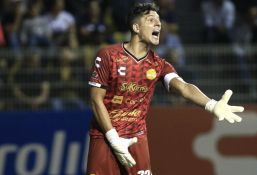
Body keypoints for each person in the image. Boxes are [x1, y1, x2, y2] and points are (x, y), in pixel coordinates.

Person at [87, 2, 244, 175]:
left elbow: (184, 88)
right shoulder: (109, 55)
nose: (158, 24)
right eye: (151, 19)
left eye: (159, 20)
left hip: (136, 138)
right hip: (105, 138)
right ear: (136, 27)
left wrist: (211, 104)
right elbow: (96, 100)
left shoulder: (158, 65)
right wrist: (113, 138)